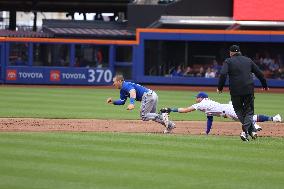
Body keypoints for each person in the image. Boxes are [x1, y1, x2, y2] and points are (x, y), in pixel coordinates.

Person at [160, 92, 281, 135]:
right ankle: (274, 118)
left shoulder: (202, 104)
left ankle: (255, 126)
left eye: (197, 97)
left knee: (249, 119)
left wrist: (170, 109)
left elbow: (185, 110)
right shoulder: (207, 105)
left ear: (201, 98)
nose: (196, 99)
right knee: (250, 118)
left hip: (228, 110)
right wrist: (207, 132)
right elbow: (210, 119)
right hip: (228, 109)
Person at [217, 45, 268, 141]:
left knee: (239, 111)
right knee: (249, 112)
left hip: (235, 91)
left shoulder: (228, 61)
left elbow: (223, 74)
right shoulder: (248, 60)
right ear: (239, 52)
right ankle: (251, 130)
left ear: (231, 53)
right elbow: (260, 74)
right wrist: (264, 85)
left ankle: (246, 131)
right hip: (248, 90)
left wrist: (220, 88)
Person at [107, 74, 175, 133]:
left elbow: (132, 91)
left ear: (119, 81)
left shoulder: (125, 85)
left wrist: (132, 103)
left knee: (144, 116)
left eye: (114, 82)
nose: (113, 84)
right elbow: (122, 101)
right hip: (152, 95)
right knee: (152, 116)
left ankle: (163, 115)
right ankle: (170, 125)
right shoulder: (122, 90)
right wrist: (113, 102)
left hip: (147, 96)